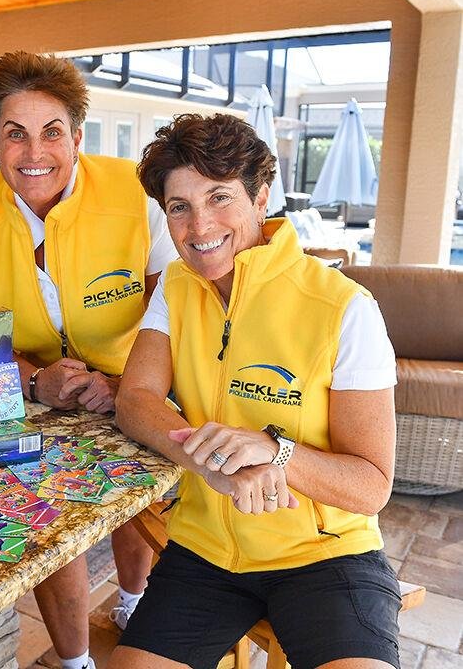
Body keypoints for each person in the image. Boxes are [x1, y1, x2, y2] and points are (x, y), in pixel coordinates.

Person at [110, 113, 400, 668]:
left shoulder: (344, 308)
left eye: (220, 198)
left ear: (260, 197)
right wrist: (213, 462)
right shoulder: (175, 287)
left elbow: (371, 487)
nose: (199, 227)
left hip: (326, 557)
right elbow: (135, 399)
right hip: (206, 553)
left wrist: (276, 452)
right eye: (179, 207)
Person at [0, 51, 178, 669]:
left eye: (52, 132)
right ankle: (74, 661)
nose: (34, 153)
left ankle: (133, 601)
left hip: (134, 385)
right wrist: (34, 383)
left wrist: (124, 384)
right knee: (44, 521)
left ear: (77, 137)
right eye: (15, 134)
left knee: (133, 505)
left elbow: (174, 312)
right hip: (35, 396)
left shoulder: (138, 197)